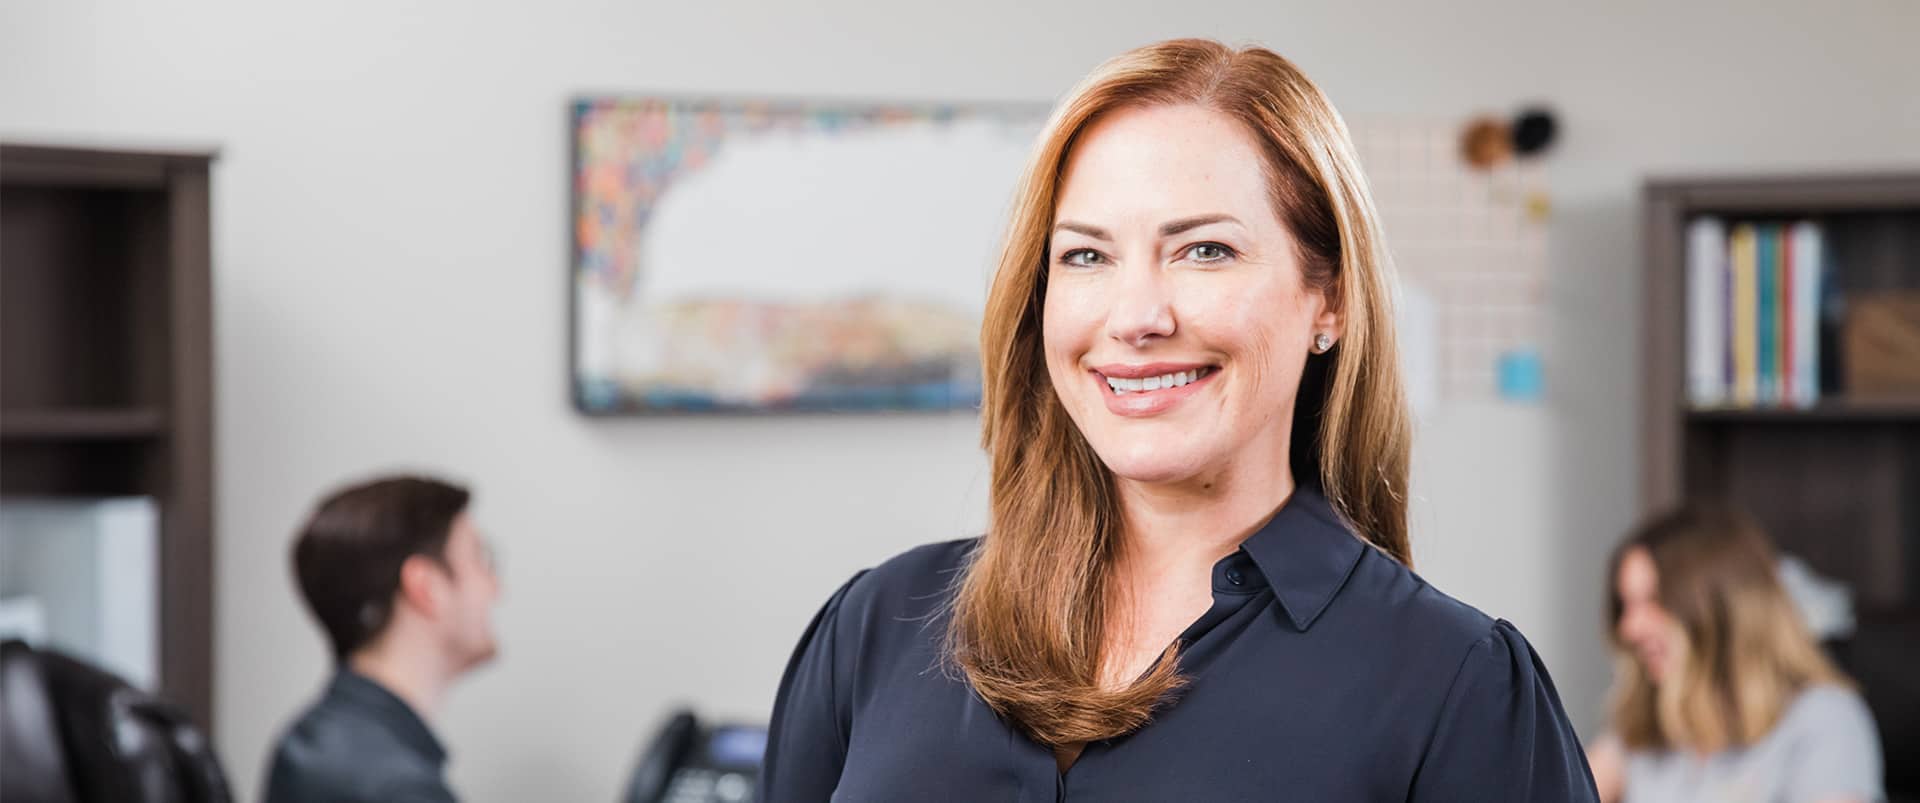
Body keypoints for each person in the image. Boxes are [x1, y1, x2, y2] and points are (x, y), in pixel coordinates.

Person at [761, 38, 1596, 802]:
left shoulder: (1458, 686)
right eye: (1086, 255)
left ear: (1330, 300)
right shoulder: (877, 625)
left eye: (1205, 250)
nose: (1136, 316)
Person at [1587, 504, 1883, 803]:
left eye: (1655, 600)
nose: (1630, 627)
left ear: (1722, 610)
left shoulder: (1824, 718)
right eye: (1627, 605)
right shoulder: (1643, 726)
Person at [262, 476, 501, 803]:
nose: (495, 588)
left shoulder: (309, 741)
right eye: (480, 559)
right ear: (425, 586)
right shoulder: (398, 787)